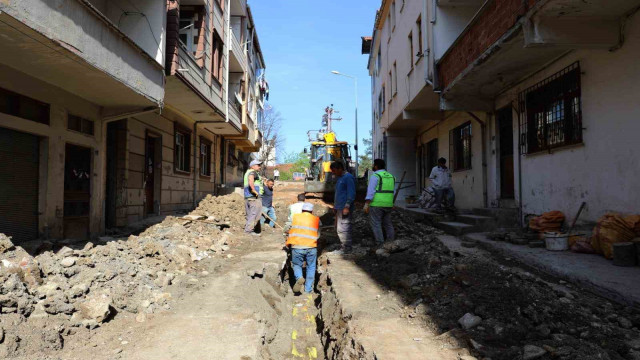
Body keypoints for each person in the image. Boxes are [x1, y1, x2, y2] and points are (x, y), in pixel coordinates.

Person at [286, 203, 320, 294]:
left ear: (302, 210)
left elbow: (286, 228)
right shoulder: (316, 219)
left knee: (297, 265)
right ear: (311, 211)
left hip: (297, 246)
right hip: (312, 247)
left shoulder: (295, 217)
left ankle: (299, 277)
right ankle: (308, 289)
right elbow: (319, 234)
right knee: (311, 267)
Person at [363, 159, 395, 245]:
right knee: (388, 224)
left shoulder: (375, 176)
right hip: (388, 204)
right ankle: (391, 243)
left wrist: (366, 204)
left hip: (377, 204)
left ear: (376, 166)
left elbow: (371, 191)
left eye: (374, 165)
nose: (373, 166)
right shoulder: (391, 176)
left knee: (376, 224)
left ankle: (380, 244)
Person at [330, 161, 355, 252]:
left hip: (344, 208)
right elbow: (339, 194)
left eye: (334, 170)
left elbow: (351, 193)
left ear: (340, 168)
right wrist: (335, 206)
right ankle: (344, 246)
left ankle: (347, 248)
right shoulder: (340, 178)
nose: (333, 172)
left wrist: (347, 206)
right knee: (339, 228)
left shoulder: (348, 178)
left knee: (344, 228)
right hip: (339, 207)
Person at [244, 160, 264, 236]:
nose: (259, 166)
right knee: (255, 214)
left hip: (248, 197)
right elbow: (251, 179)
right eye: (258, 165)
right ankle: (249, 231)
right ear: (252, 166)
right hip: (254, 197)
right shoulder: (252, 172)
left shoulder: (247, 172)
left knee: (250, 214)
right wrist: (253, 190)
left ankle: (249, 229)